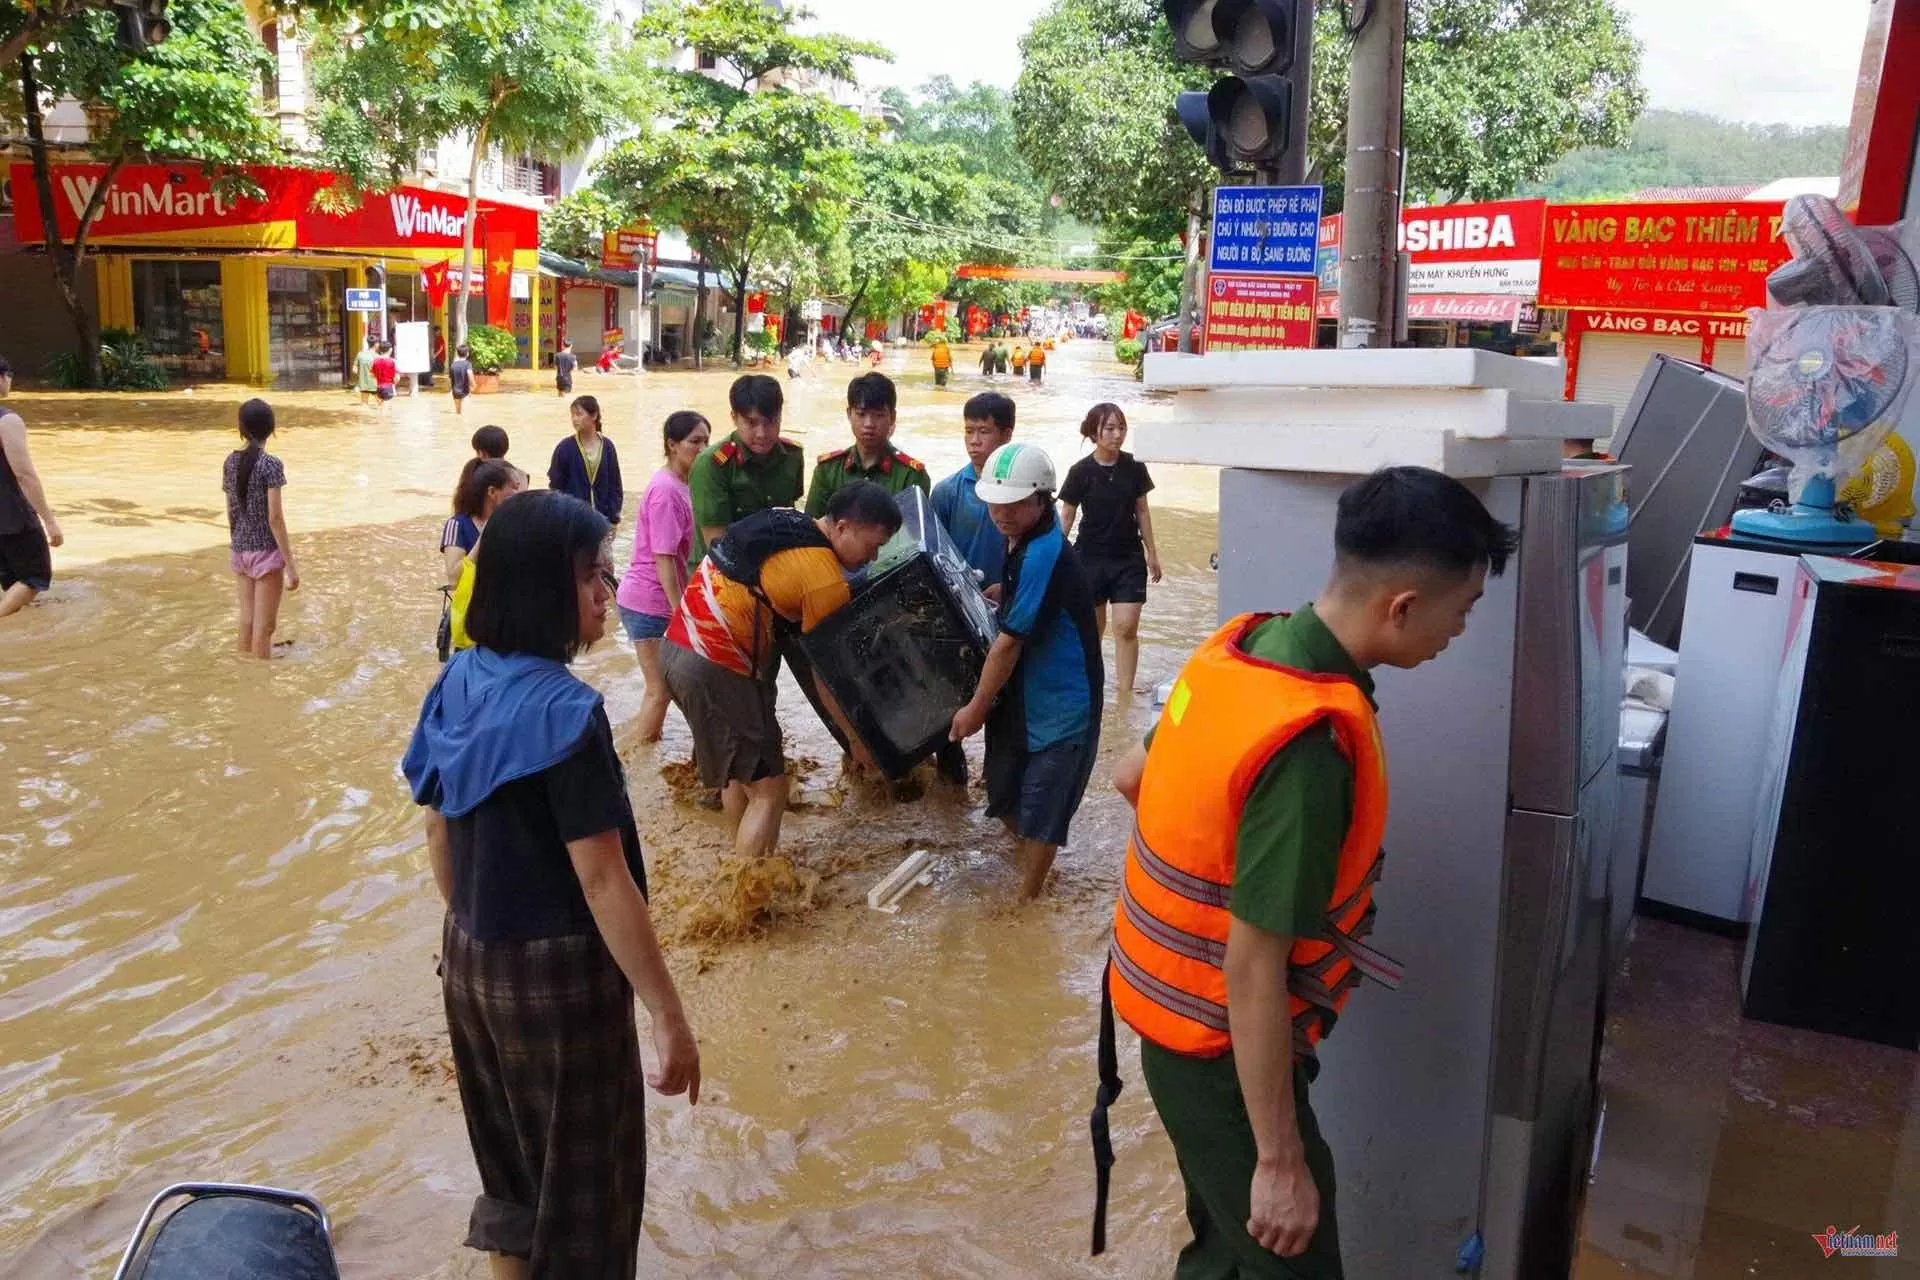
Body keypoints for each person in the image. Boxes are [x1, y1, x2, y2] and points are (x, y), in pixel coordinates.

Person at [1092, 466, 1517, 1280]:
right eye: (1461, 613)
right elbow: (1252, 968)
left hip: (1161, 1020)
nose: (1458, 633)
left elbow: (1129, 776)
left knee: (1224, 1254)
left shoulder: (1244, 648)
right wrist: (1280, 1159)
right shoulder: (1310, 748)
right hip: (1221, 1054)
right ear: (1402, 607)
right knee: (1296, 1262)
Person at [402, 490, 700, 1280]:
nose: (607, 592)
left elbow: (437, 827)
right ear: (542, 586)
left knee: (511, 1168)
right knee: (586, 1193)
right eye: (591, 576)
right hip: (560, 981)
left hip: (468, 958)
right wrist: (669, 1017)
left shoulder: (458, 679)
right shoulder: (568, 713)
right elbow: (602, 881)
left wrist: (470, 925)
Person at [661, 483, 902, 864]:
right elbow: (824, 679)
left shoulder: (787, 521)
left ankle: (739, 870)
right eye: (871, 546)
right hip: (716, 664)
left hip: (677, 648)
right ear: (841, 527)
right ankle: (750, 894)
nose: (872, 558)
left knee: (740, 774)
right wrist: (856, 742)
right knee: (772, 788)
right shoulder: (824, 581)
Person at [948, 443, 1101, 900]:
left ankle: (1026, 899)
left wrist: (975, 708)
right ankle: (1025, 866)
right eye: (995, 501)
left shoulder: (1042, 553)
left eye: (1015, 503)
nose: (1002, 513)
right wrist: (1006, 594)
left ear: (1042, 499)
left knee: (1043, 806)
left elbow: (1009, 645)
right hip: (1023, 695)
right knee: (1002, 789)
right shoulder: (1021, 539)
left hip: (1061, 699)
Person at [618, 411, 710, 742]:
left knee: (669, 688)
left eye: (706, 442)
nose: (702, 449)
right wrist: (679, 612)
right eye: (694, 442)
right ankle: (635, 765)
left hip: (658, 599)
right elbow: (665, 560)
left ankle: (644, 753)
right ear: (672, 445)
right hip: (650, 601)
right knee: (660, 691)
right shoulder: (666, 491)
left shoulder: (685, 484)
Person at [1060, 403, 1163, 699]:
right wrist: (1053, 556)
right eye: (1110, 428)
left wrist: (1152, 553)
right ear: (1095, 432)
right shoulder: (1080, 472)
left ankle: (1125, 696)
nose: (1117, 435)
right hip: (1089, 558)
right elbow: (1067, 516)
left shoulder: (1135, 467)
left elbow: (1142, 511)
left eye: (1121, 428)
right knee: (1092, 631)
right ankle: (1091, 692)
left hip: (1128, 558)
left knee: (1126, 626)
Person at [687, 374, 806, 567]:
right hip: (717, 579)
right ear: (734, 417)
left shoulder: (792, 457)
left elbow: (789, 518)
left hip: (777, 569)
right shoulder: (711, 465)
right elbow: (717, 546)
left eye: (771, 422)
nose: (762, 433)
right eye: (751, 423)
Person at [223, 399, 300, 658]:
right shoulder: (271, 464)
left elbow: (231, 509)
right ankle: (260, 682)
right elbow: (275, 518)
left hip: (240, 550)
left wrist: (238, 542)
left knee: (246, 622)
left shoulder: (230, 462)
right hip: (266, 552)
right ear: (271, 428)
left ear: (242, 429)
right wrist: (290, 565)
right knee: (265, 628)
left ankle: (244, 674)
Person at [803, 372, 929, 517]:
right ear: (849, 414)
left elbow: (912, 536)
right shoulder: (827, 470)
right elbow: (812, 529)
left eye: (878, 415)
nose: (869, 424)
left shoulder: (911, 476)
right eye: (861, 414)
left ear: (892, 417)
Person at [929, 390, 1015, 590]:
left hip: (1012, 595)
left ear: (1007, 434)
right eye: (969, 431)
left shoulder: (1025, 491)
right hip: (960, 597)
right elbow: (933, 553)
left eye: (984, 431)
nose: (974, 440)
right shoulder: (946, 492)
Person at [0, 357, 63, 619]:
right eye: (9, 374)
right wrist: (49, 521)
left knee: (12, 580)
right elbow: (25, 475)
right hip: (13, 517)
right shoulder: (7, 421)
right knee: (35, 578)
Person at [443, 460, 527, 655]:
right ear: (492, 492)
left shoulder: (515, 523)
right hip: (474, 623)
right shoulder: (457, 525)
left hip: (511, 621)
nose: (517, 494)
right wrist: (485, 537)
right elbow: (454, 579)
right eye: (512, 488)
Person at [547, 395, 624, 528]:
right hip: (573, 522)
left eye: (579, 414)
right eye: (572, 415)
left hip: (603, 520)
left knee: (602, 549)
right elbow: (556, 486)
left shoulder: (607, 446)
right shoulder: (564, 448)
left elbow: (615, 484)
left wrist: (613, 514)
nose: (574, 419)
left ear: (594, 416)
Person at [448, 344, 473, 417]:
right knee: (465, 414)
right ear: (467, 353)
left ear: (457, 354)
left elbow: (451, 379)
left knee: (458, 413)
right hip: (464, 391)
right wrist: (474, 386)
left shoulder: (453, 365)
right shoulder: (468, 364)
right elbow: (470, 375)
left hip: (455, 392)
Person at [354, 335, 379, 407]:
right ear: (376, 344)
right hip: (375, 384)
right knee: (381, 405)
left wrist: (362, 375)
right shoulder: (377, 356)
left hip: (363, 384)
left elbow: (354, 369)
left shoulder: (360, 354)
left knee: (364, 406)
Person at [372, 342, 399, 409]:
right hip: (388, 387)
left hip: (378, 387)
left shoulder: (375, 361)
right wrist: (393, 384)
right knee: (386, 409)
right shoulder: (393, 361)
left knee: (381, 406)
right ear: (390, 350)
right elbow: (397, 377)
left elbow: (372, 374)